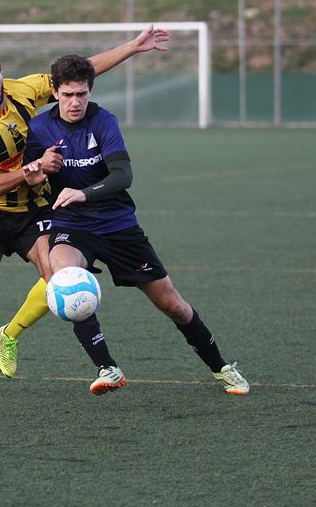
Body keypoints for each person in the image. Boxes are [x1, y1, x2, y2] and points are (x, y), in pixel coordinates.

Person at [0, 25, 171, 400]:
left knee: (62, 276)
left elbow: (80, 70)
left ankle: (13, 334)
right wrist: (30, 169)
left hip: (33, 210)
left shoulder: (23, 90)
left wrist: (133, 48)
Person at [25, 54, 249, 394]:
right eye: (68, 94)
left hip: (117, 224)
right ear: (54, 92)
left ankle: (221, 366)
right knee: (65, 280)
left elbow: (123, 175)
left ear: (90, 91)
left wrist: (84, 193)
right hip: (72, 225)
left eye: (82, 94)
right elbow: (33, 178)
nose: (75, 102)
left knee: (172, 304)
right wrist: (38, 172)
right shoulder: (39, 128)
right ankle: (107, 367)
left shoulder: (103, 121)